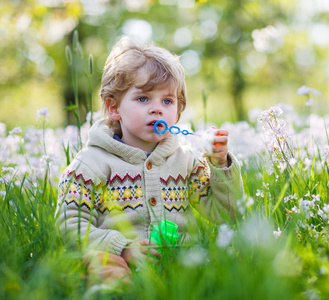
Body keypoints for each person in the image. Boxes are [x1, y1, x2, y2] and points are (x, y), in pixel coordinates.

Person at [55, 36, 243, 284]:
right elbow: (69, 224)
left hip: (180, 264)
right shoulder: (90, 164)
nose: (157, 109)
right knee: (104, 269)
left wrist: (220, 165)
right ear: (113, 108)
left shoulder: (185, 162)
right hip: (119, 260)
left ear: (177, 111)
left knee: (228, 268)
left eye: (167, 101)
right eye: (143, 98)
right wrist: (121, 247)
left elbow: (226, 213)